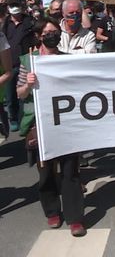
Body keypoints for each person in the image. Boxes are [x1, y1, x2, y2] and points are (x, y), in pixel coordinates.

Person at [17, 17, 86, 237]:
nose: (52, 35)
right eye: (47, 32)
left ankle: (75, 218)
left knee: (70, 172)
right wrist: (28, 83)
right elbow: (20, 94)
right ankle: (52, 212)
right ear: (39, 36)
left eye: (55, 31)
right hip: (41, 125)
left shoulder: (67, 60)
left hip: (66, 124)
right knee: (46, 173)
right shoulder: (28, 61)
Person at [2, 0, 35, 131]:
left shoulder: (30, 22)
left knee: (25, 94)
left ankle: (23, 119)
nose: (14, 8)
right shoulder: (4, 24)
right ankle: (13, 118)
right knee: (10, 96)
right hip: (9, 63)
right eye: (12, 5)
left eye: (16, 5)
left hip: (25, 63)